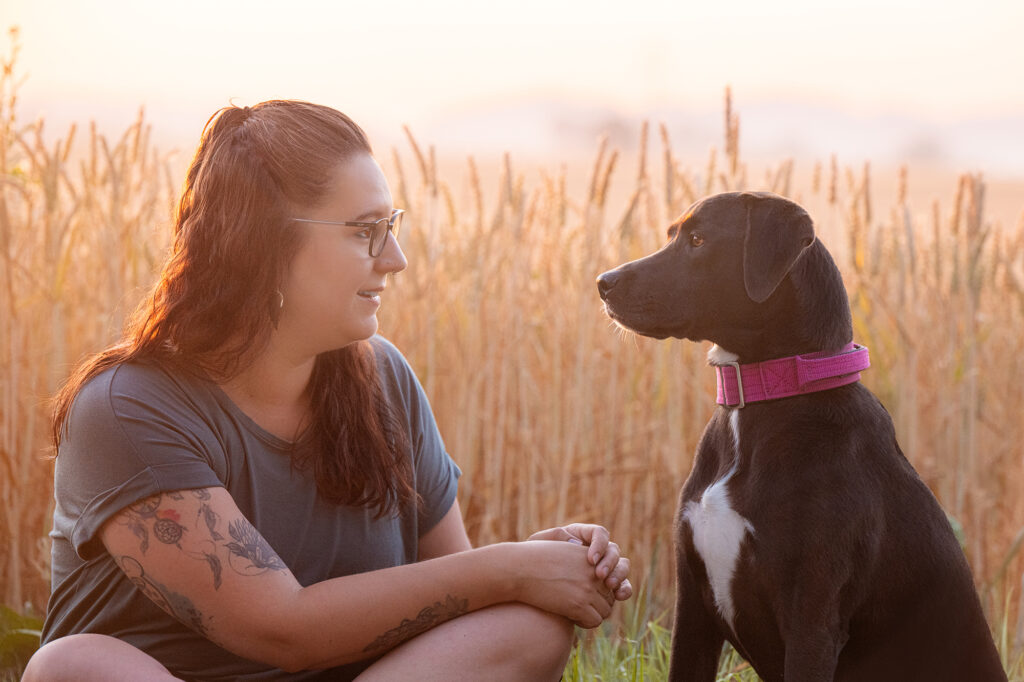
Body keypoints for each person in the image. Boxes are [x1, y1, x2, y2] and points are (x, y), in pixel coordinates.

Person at [22, 100, 632, 681]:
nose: (395, 258)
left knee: (528, 628)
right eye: (366, 230)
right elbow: (279, 629)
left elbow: (450, 592)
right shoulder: (127, 407)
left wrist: (532, 568)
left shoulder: (384, 378)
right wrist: (509, 568)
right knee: (71, 668)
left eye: (389, 227)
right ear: (262, 244)